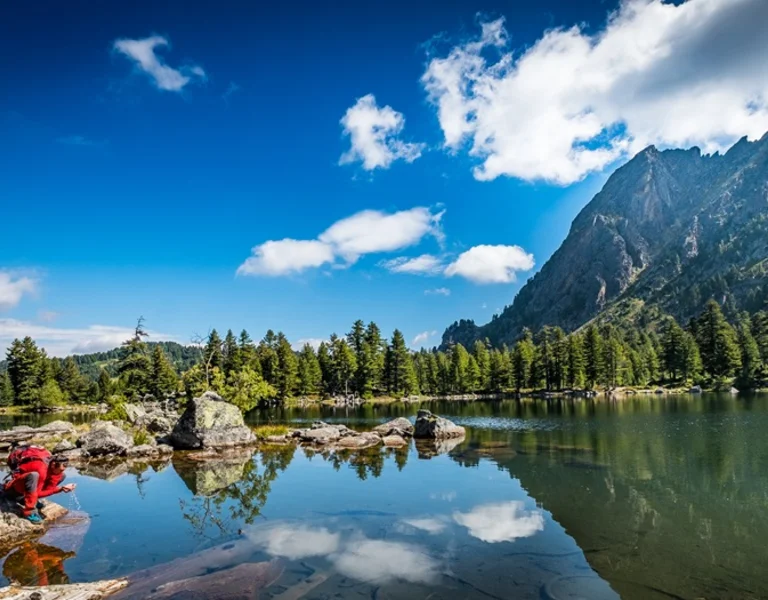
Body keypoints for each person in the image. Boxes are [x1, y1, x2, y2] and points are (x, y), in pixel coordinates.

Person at [2, 444, 76, 524]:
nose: (61, 472)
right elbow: (38, 493)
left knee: (62, 476)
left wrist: (61, 488)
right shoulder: (40, 469)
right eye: (60, 470)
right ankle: (29, 512)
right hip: (14, 490)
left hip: (25, 489)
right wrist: (60, 489)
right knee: (33, 476)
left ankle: (26, 499)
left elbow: (49, 489)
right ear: (53, 464)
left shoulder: (54, 466)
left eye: (63, 470)